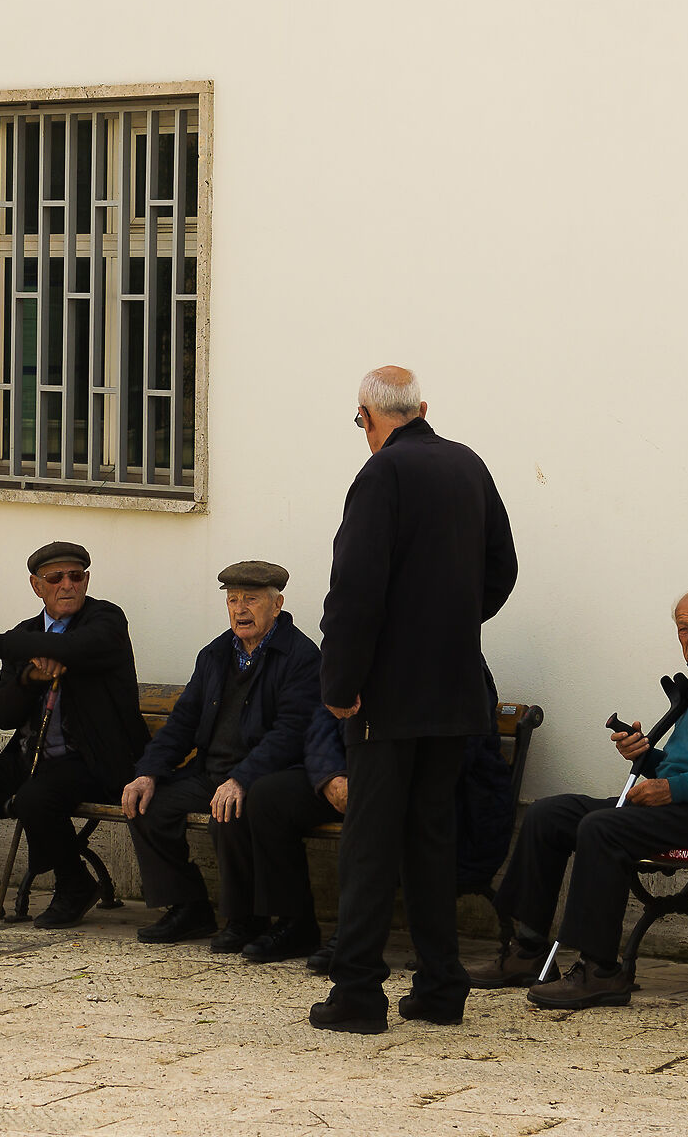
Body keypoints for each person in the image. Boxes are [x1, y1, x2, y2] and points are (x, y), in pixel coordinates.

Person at [310, 365, 518, 1033]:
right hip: (454, 690)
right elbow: (503, 569)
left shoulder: (382, 474)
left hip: (388, 698)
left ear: (369, 417)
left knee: (370, 844)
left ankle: (358, 992)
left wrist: (340, 684)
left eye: (360, 422)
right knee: (431, 838)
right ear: (421, 409)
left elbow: (354, 590)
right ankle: (440, 986)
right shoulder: (467, 465)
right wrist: (450, 624)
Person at [477, 585, 688, 1010]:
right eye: (682, 629)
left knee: (602, 828)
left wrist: (672, 788)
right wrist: (646, 757)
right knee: (549, 814)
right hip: (684, 807)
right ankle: (527, 951)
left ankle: (600, 971)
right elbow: (685, 766)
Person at [0, 540, 143, 930]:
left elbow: (73, 647)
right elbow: (1, 716)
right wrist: (29, 678)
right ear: (36, 586)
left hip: (93, 761)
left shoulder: (105, 619)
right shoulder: (26, 635)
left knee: (36, 796)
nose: (67, 585)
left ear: (86, 580)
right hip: (31, 758)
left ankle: (74, 884)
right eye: (55, 578)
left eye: (76, 576)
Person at [121, 561, 321, 950]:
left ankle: (246, 920)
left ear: (277, 604)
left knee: (230, 813)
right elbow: (182, 722)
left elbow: (291, 733)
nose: (240, 609)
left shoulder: (300, 656)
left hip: (266, 775)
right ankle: (190, 907)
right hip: (210, 773)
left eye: (251, 599)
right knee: (146, 805)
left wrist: (242, 779)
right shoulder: (215, 654)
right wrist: (148, 772)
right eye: (233, 600)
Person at [289, 658, 515, 973]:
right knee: (271, 800)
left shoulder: (457, 663)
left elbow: (456, 751)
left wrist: (375, 783)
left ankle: (351, 941)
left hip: (457, 800)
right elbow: (323, 722)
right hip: (360, 780)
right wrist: (332, 777)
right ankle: (288, 925)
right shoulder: (362, 660)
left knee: (383, 818)